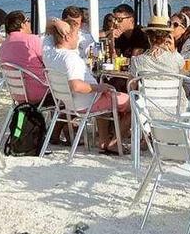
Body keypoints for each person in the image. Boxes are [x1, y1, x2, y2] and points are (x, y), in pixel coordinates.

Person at [42, 18, 130, 154]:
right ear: (67, 36)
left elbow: (47, 30)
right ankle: (114, 143)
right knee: (134, 103)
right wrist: (99, 88)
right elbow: (76, 86)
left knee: (106, 98)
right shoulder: (70, 58)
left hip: (68, 103)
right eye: (77, 34)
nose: (78, 38)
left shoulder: (49, 52)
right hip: (87, 102)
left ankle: (103, 140)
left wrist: (56, 22)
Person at [0, 11, 50, 104]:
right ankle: (60, 117)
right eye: (28, 20)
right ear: (22, 24)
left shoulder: (4, 45)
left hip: (17, 94)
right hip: (40, 93)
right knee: (67, 93)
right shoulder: (32, 40)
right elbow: (48, 61)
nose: (30, 23)